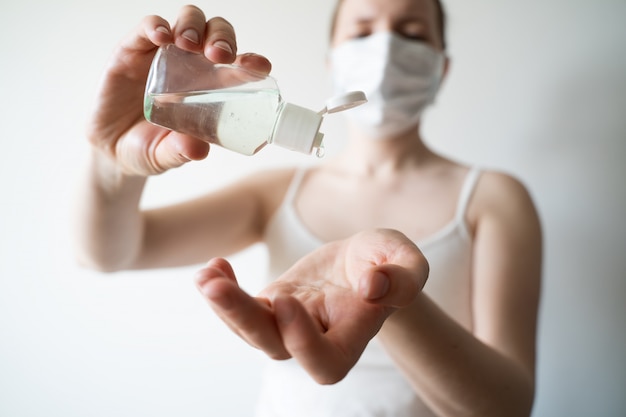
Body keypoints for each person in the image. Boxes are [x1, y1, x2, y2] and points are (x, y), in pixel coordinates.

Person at [75, 0, 542, 416]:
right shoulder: (277, 192)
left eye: (412, 34)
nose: (384, 49)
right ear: (332, 62)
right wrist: (111, 162)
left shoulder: (492, 198)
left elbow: (508, 407)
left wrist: (391, 301)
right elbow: (110, 253)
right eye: (361, 32)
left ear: (442, 68)